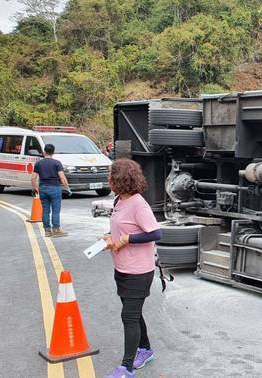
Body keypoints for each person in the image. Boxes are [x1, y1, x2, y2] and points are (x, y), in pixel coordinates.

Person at [103, 159, 162, 378]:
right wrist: (109, 237)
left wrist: (128, 238)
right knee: (134, 315)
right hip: (122, 268)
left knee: (128, 316)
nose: (108, 179)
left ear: (119, 179)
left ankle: (126, 368)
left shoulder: (139, 204)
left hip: (139, 271)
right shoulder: (119, 200)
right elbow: (120, 225)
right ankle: (145, 350)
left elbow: (156, 233)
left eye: (111, 176)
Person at [31, 144, 70, 237]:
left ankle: (47, 231)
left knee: (45, 210)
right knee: (55, 210)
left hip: (43, 188)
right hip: (55, 187)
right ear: (53, 152)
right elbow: (62, 177)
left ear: (44, 152)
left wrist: (35, 187)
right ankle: (56, 229)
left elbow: (33, 177)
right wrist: (67, 187)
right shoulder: (57, 163)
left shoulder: (38, 163)